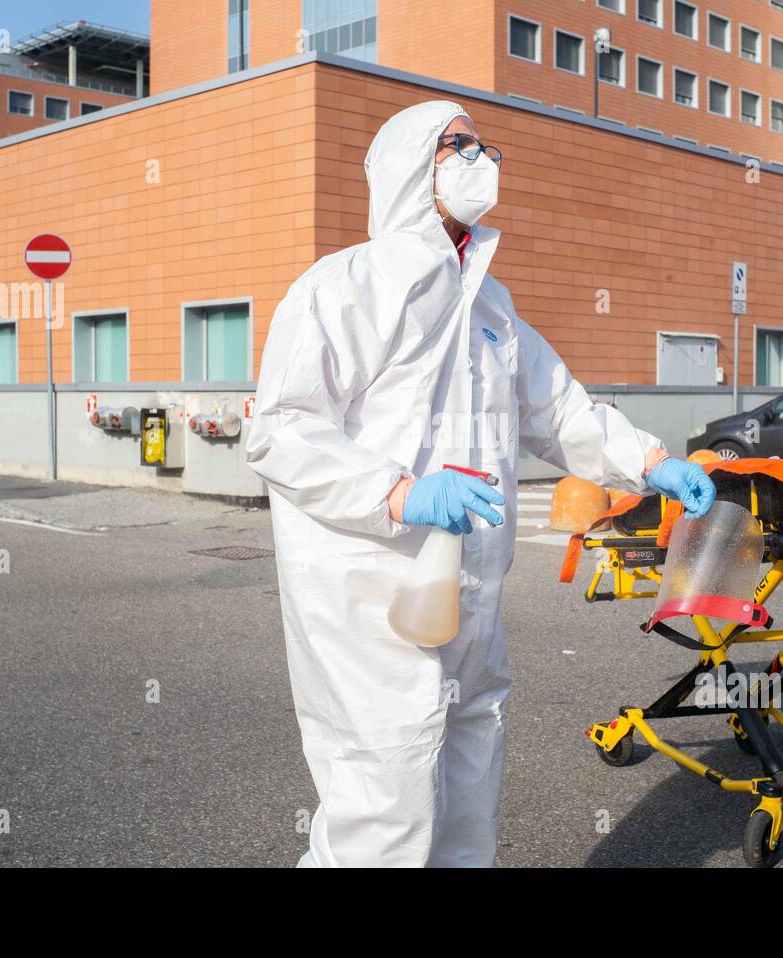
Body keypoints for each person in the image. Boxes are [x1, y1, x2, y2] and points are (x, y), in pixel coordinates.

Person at [246, 100, 715, 867]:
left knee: (469, 768)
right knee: (384, 794)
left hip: (467, 585)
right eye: (456, 146)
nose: (479, 158)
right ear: (409, 165)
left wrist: (648, 463)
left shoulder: (489, 305)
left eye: (480, 144)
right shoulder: (342, 290)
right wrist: (398, 493)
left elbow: (559, 409)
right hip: (370, 582)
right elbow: (282, 429)